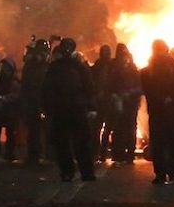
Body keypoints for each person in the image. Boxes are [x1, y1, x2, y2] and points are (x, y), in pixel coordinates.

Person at [41, 39, 97, 182]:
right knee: (80, 142)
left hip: (62, 109)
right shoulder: (80, 67)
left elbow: (46, 89)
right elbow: (89, 88)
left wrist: (47, 108)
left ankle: (68, 172)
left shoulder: (54, 67)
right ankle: (86, 172)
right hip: (76, 109)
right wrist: (91, 107)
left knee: (63, 143)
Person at [141, 40, 174, 184]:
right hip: (172, 111)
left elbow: (147, 90)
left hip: (157, 111)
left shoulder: (147, 71)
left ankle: (161, 174)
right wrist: (171, 99)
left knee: (159, 144)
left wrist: (161, 99)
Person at [105, 43, 142, 163]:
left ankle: (122, 153)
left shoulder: (126, 67)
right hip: (124, 102)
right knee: (124, 128)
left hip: (126, 102)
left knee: (122, 128)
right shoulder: (130, 67)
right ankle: (124, 153)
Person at [20, 40, 50, 164]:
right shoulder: (39, 67)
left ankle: (34, 154)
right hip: (37, 101)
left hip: (33, 100)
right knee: (37, 129)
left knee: (34, 129)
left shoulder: (30, 65)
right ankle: (38, 154)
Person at [90, 45, 113, 163]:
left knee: (99, 128)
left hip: (103, 101)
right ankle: (101, 152)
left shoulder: (96, 67)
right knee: (105, 128)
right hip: (105, 102)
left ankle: (98, 152)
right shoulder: (112, 67)